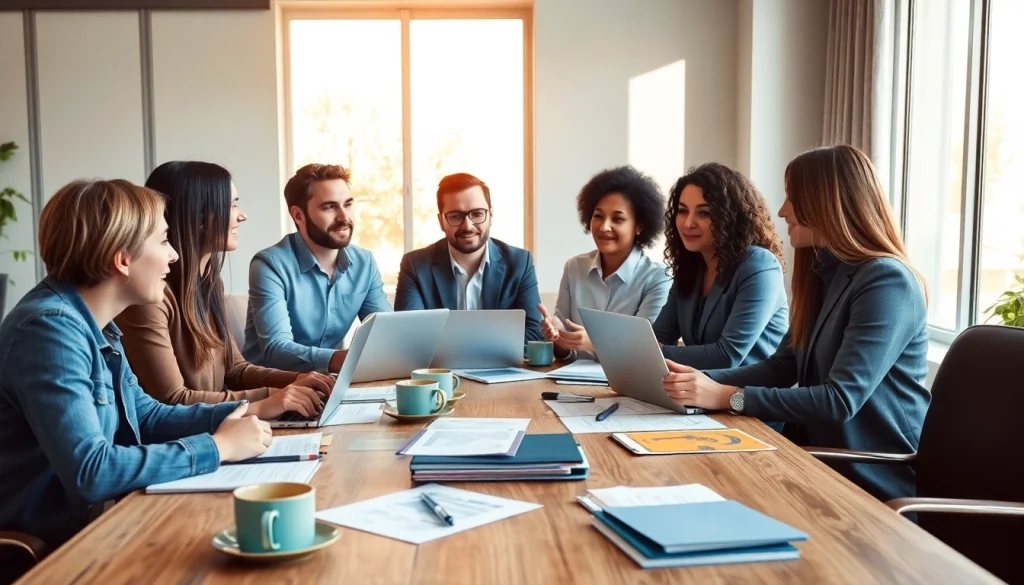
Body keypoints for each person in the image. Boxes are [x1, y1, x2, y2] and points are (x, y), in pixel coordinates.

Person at [0, 179, 270, 549]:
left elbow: (146, 416)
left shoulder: (96, 324)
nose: (174, 255)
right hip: (53, 549)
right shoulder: (49, 331)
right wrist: (219, 447)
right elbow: (91, 471)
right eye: (163, 241)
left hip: (101, 525)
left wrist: (242, 412)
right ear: (122, 259)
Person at [661, 145, 930, 502]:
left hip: (867, 475)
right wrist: (694, 384)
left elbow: (839, 400)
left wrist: (726, 396)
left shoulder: (886, 282)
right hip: (811, 460)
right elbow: (782, 367)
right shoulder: (822, 274)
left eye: (793, 198)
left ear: (827, 203)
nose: (783, 210)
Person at [116, 161, 333, 420]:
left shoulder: (209, 283)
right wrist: (272, 396)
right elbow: (173, 399)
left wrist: (299, 380)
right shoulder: (150, 298)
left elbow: (235, 369)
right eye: (232, 205)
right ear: (197, 217)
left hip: (219, 426)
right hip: (188, 438)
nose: (242, 215)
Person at [243, 163, 392, 373]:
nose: (344, 217)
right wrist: (345, 359)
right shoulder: (269, 265)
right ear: (298, 215)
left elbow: (387, 332)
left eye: (348, 204)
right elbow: (276, 349)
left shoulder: (364, 263)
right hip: (275, 390)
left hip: (331, 385)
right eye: (329, 207)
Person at [651, 163, 789, 370]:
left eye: (704, 213)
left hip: (746, 396)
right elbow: (659, 336)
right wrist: (647, 349)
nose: (688, 223)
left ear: (731, 217)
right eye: (682, 211)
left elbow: (727, 355)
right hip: (699, 391)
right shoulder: (691, 267)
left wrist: (653, 353)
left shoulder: (759, 265)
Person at [537, 166, 671, 361]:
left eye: (617, 219)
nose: (604, 226)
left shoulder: (658, 277)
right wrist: (557, 337)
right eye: (598, 216)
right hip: (569, 380)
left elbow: (647, 348)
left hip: (628, 386)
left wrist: (592, 341)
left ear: (639, 226)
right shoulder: (574, 267)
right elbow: (565, 350)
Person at [394, 172, 543, 341]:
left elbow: (533, 334)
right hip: (441, 368)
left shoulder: (520, 263)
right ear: (441, 221)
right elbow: (409, 335)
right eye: (456, 216)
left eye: (477, 214)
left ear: (490, 215)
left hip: (500, 367)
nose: (468, 226)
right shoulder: (415, 266)